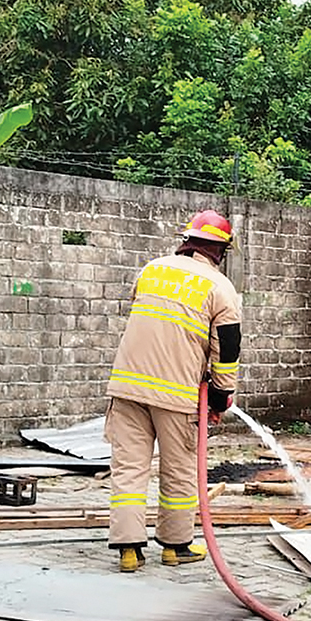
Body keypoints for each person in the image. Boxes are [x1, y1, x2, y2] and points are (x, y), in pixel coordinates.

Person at [104, 210, 241, 573]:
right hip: (176, 395)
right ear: (221, 250)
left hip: (128, 387)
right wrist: (221, 396)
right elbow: (226, 350)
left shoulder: (151, 270)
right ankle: (175, 546)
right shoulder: (220, 287)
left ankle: (129, 550)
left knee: (129, 469)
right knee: (178, 470)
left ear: (187, 240)